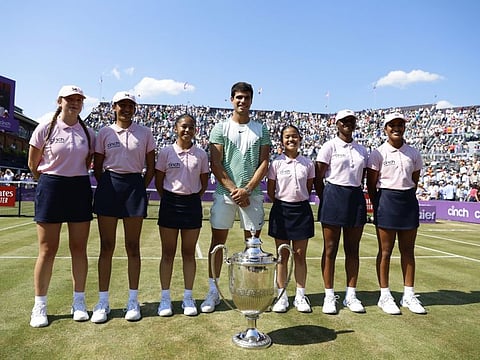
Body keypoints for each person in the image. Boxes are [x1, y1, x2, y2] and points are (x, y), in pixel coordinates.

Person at [200, 81, 271, 313]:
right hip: (226, 195)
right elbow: (216, 163)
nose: (242, 101)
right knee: (217, 244)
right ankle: (214, 291)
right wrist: (234, 190)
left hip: (252, 195)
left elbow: (264, 163)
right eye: (238, 97)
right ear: (232, 99)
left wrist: (247, 190)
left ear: (251, 100)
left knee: (253, 247)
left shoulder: (262, 129)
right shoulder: (220, 128)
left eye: (246, 97)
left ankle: (251, 293)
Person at [27, 85, 95, 327]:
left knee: (79, 247)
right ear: (60, 101)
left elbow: (88, 162)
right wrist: (50, 181)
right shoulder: (46, 125)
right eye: (70, 99)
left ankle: (79, 302)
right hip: (51, 186)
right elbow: (33, 163)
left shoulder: (89, 132)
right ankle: (40, 306)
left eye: (78, 99)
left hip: (79, 187)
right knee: (47, 249)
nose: (74, 103)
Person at [90, 91, 155, 323]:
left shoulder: (145, 132)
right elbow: (97, 167)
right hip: (109, 185)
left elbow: (151, 166)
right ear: (114, 107)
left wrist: (137, 186)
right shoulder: (104, 132)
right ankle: (103, 302)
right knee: (106, 245)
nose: (127, 109)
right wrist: (110, 185)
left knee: (132, 246)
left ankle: (133, 301)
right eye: (122, 105)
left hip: (134, 187)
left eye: (131, 105)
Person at [367, 112, 426, 315]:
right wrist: (380, 204)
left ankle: (408, 294)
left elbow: (414, 180)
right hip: (386, 202)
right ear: (385, 129)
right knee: (385, 251)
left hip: (408, 201)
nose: (396, 128)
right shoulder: (378, 153)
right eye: (392, 125)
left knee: (408, 251)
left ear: (404, 128)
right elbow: (371, 184)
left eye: (400, 125)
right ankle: (385, 295)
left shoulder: (414, 153)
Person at [314, 109, 369, 314]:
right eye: (343, 121)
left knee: (353, 249)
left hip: (355, 197)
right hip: (333, 195)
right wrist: (326, 197)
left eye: (351, 121)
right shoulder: (328, 147)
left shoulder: (362, 150)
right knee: (330, 248)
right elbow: (318, 178)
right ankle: (329, 296)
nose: (347, 124)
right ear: (336, 124)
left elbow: (362, 177)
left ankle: (350, 295)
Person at [155, 114, 209, 317]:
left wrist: (191, 197)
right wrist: (170, 197)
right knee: (167, 253)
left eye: (191, 127)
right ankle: (165, 299)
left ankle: (188, 297)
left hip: (192, 204)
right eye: (184, 126)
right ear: (176, 128)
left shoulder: (201, 154)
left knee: (188, 253)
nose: (187, 130)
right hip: (170, 203)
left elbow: (203, 183)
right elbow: (160, 181)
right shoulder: (166, 152)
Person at [267, 125, 315, 313]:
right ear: (282, 141)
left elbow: (308, 187)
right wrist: (283, 202)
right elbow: (272, 191)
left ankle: (301, 296)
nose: (291, 140)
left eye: (294, 136)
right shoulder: (276, 164)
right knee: (282, 256)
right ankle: (282, 295)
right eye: (287, 137)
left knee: (300, 255)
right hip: (281, 210)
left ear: (300, 138)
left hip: (302, 211)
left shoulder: (308, 164)